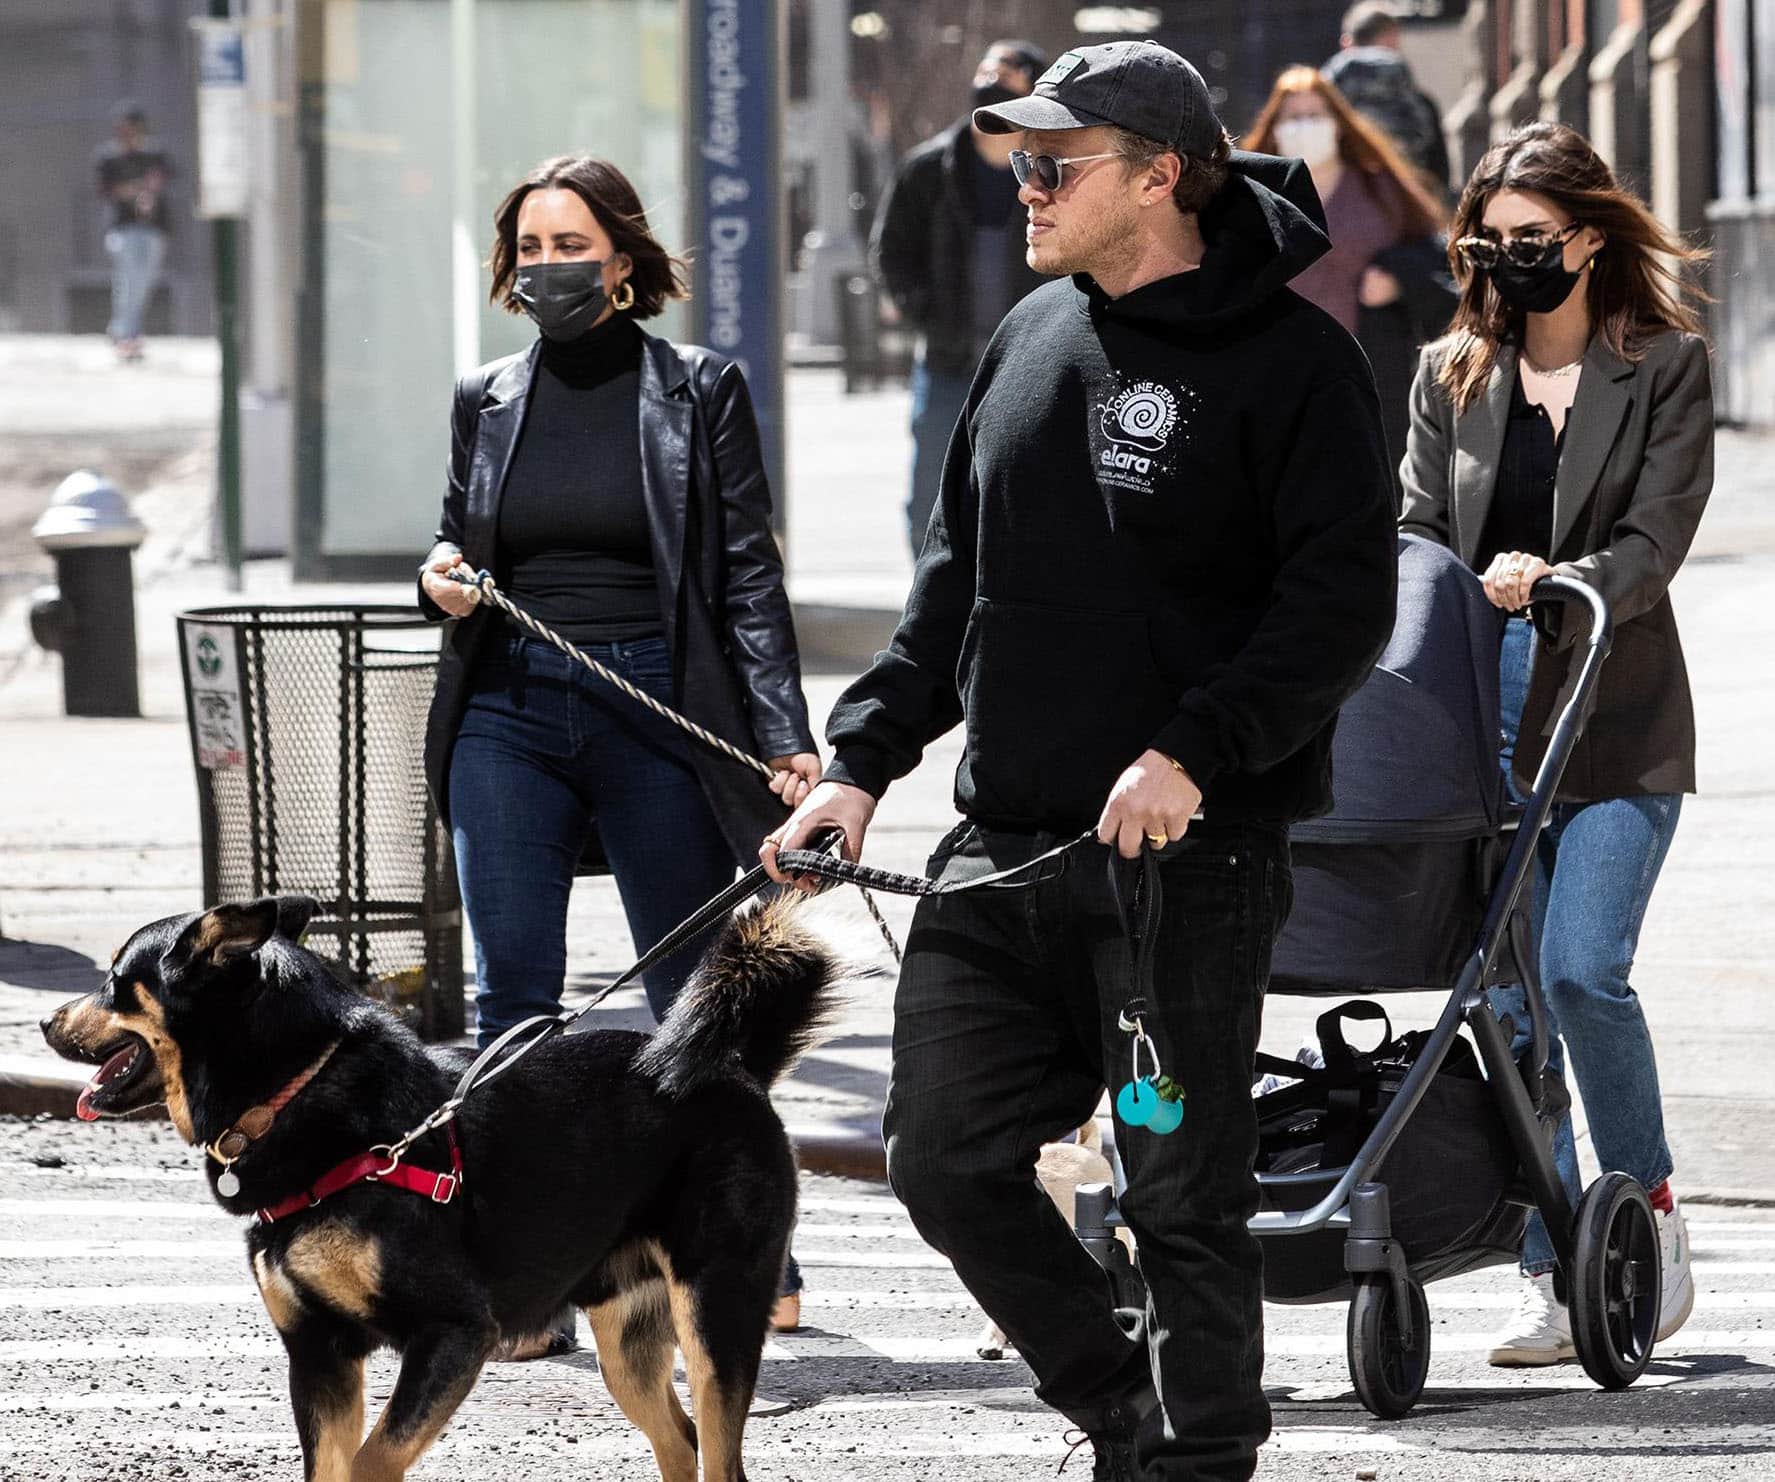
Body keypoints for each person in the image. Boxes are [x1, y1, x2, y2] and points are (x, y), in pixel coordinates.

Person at [765, 40, 1397, 1480]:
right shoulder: (1028, 335)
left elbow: (1336, 606)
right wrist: (860, 760)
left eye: (1054, 165)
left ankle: (1191, 1455)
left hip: (1185, 859)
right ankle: (1125, 1406)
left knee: (1178, 1192)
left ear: (1159, 174)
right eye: (1019, 164)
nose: (1023, 191)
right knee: (940, 1156)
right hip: (1004, 846)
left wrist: (1195, 747)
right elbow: (951, 587)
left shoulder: (1296, 364)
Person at [417, 155, 820, 1338]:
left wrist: (784, 739)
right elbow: (455, 537)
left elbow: (747, 571)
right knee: (512, 1001)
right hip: (507, 706)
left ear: (624, 258)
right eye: (531, 249)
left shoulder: (697, 390)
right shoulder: (484, 396)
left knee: (689, 1003)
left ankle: (753, 1254)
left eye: (571, 245)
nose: (550, 267)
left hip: (655, 703)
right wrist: (436, 577)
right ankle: (512, 1273)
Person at [1398, 121, 1712, 1366]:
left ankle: (1646, 1218)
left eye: (1534, 239)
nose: (1510, 260)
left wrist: (1557, 577)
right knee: (1512, 1009)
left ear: (1587, 239)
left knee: (1582, 972)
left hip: (1615, 709)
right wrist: (1461, 586)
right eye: (1491, 240)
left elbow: (1655, 535)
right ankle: (1552, 1263)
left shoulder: (1664, 365)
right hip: (1485, 726)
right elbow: (1417, 531)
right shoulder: (1450, 372)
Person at [871, 39, 1049, 555]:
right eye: (986, 69)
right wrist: (927, 316)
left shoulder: (1049, 172)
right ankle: (930, 613)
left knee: (1023, 489)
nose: (992, 77)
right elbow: (892, 253)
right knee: (932, 494)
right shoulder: (928, 168)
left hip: (1030, 366)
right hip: (948, 364)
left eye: (1010, 71)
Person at [1244, 67, 1455, 498]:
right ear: (1274, 128)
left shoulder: (1378, 187)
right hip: (1279, 375)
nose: (1304, 126)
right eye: (1292, 117)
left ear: (1338, 124)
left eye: (1315, 114)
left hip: (1371, 368)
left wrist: (1399, 279)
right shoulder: (1252, 193)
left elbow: (1434, 250)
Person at [1323, 1, 1450, 193]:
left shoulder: (1320, 101)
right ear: (1392, 41)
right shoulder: (1420, 105)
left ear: (1346, 43)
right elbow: (1439, 179)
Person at [93, 101, 173, 363]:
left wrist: (149, 190)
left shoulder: (154, 154)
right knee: (127, 279)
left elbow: (167, 176)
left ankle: (125, 330)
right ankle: (127, 334)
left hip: (152, 228)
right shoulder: (109, 157)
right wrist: (132, 191)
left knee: (143, 282)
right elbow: (104, 189)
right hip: (123, 228)